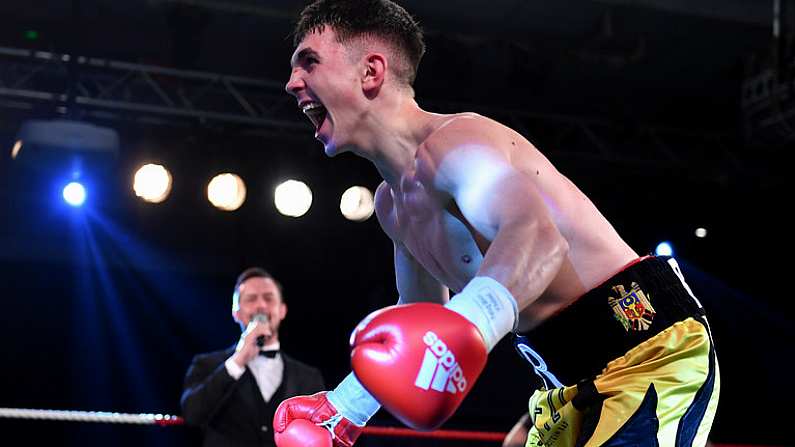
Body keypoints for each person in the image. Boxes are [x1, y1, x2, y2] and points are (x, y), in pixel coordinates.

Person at [274, 1, 720, 446]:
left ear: (371, 71)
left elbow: (538, 237)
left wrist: (471, 321)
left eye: (309, 62)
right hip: (565, 383)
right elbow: (419, 326)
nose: (292, 83)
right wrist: (346, 407)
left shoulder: (456, 144)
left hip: (648, 351)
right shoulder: (392, 205)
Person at [182, 267, 325, 447]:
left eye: (268, 298)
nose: (261, 306)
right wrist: (238, 360)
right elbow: (192, 415)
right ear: (236, 312)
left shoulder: (308, 376)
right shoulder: (206, 364)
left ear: (282, 311)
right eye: (251, 299)